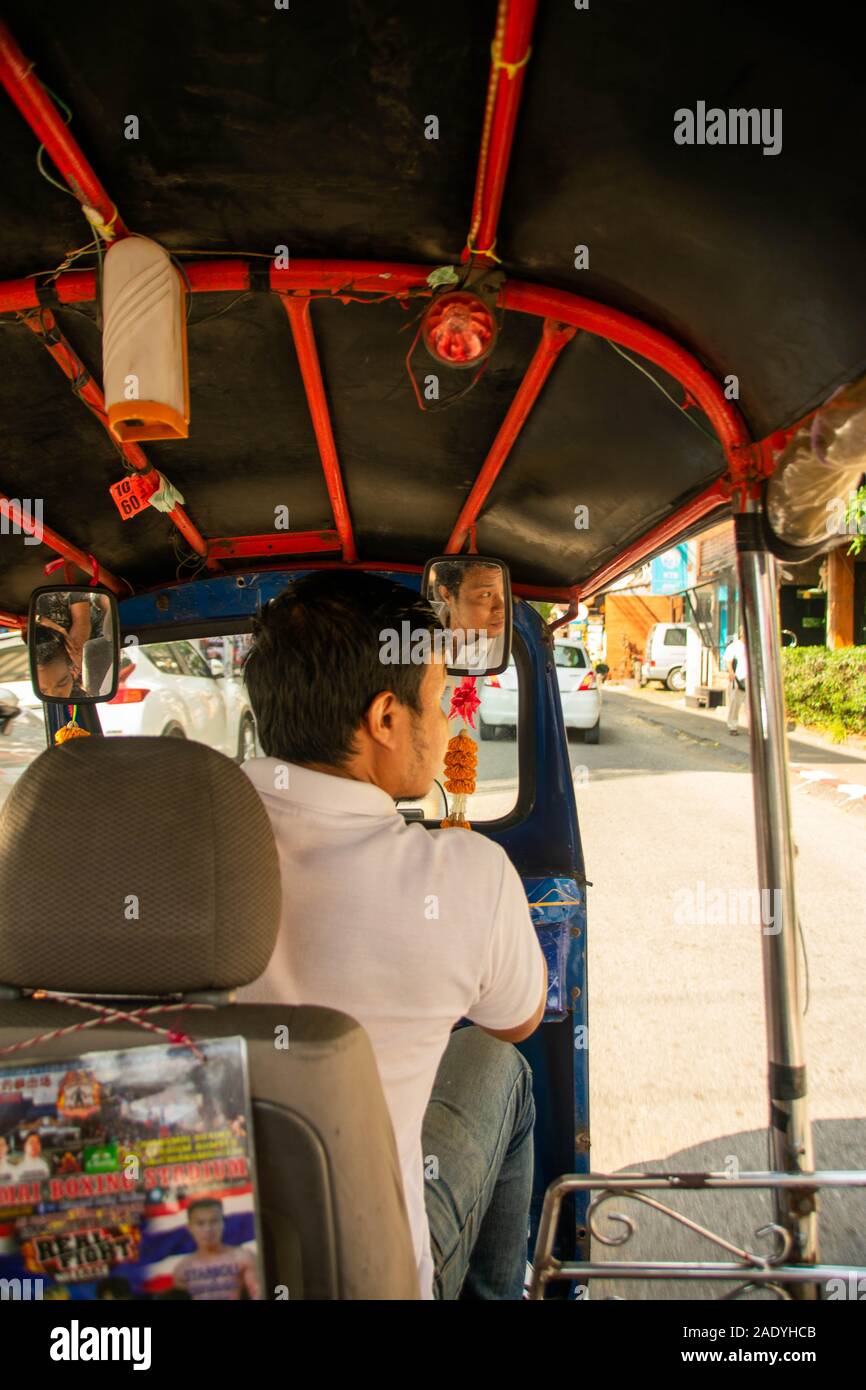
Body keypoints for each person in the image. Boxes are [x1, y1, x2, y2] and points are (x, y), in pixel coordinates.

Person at [240, 571, 546, 1300]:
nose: (445, 726)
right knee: (502, 1068)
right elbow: (518, 1019)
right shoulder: (465, 874)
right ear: (385, 718)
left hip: (192, 1272)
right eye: (439, 700)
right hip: (375, 1278)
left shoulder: (163, 852)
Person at [172, 1198, 261, 1300]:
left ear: (223, 1223)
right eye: (200, 1223)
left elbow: (258, 1295)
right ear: (189, 1228)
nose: (208, 1229)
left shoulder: (243, 1258)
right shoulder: (182, 1269)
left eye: (214, 1221)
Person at [429, 560, 506, 670]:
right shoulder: (414, 620)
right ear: (447, 595)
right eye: (486, 594)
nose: (501, 608)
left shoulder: (510, 640)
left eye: (504, 593)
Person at [724, 627, 748, 735]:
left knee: (751, 705)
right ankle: (732, 726)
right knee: (735, 703)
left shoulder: (753, 645)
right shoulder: (735, 646)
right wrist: (731, 672)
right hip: (738, 679)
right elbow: (728, 660)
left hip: (750, 679)